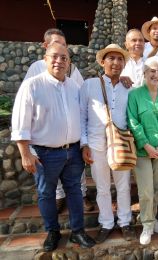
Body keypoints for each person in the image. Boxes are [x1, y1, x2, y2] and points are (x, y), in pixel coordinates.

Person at [11, 42, 96, 251]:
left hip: (73, 151)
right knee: (46, 194)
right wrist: (25, 154)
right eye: (54, 57)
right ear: (46, 59)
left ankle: (77, 232)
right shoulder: (32, 85)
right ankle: (53, 232)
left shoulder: (74, 87)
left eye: (64, 58)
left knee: (75, 192)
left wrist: (84, 144)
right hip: (45, 154)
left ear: (69, 63)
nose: (59, 61)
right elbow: (20, 123)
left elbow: (83, 117)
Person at [23, 28, 92, 213]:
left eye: (63, 46)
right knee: (48, 188)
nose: (60, 52)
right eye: (56, 45)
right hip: (45, 141)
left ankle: (82, 195)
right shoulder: (35, 70)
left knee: (76, 180)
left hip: (72, 141)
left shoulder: (72, 69)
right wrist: (27, 149)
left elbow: (81, 95)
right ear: (46, 47)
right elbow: (26, 105)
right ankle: (59, 198)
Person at [80, 44, 136, 243]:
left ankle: (125, 222)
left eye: (120, 59)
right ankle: (106, 223)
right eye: (111, 58)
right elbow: (82, 116)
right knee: (102, 186)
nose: (116, 62)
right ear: (102, 62)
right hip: (96, 143)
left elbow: (132, 116)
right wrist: (84, 144)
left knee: (123, 186)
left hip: (120, 143)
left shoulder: (129, 87)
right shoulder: (89, 85)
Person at [127, 56, 158, 245]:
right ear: (145, 73)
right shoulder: (135, 95)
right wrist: (146, 145)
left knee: (157, 189)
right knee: (146, 190)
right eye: (152, 71)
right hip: (142, 151)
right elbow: (133, 121)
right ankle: (147, 224)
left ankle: (153, 217)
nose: (156, 75)